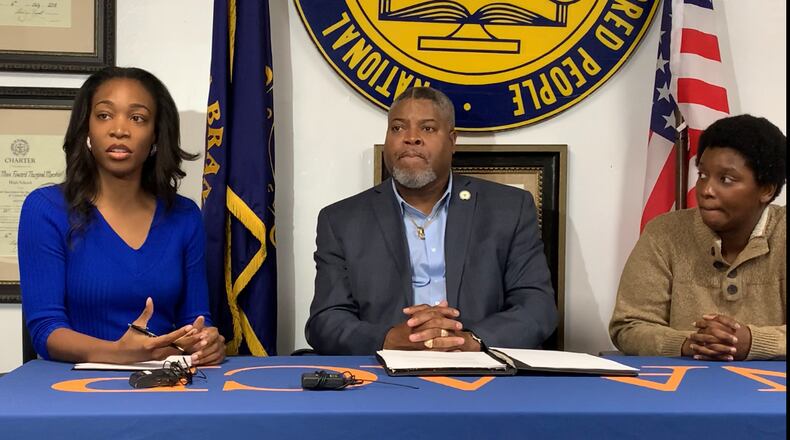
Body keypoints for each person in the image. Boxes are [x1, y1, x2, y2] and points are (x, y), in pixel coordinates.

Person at [305, 86, 557, 355]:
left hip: (481, 371)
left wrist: (472, 340)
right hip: (383, 379)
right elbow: (325, 321)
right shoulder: (342, 221)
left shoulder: (509, 209)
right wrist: (388, 338)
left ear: (452, 141)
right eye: (398, 128)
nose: (411, 138)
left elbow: (537, 308)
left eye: (427, 129)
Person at [18, 67, 225, 365]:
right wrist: (119, 353)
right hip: (72, 388)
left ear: (156, 134)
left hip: (165, 384)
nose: (119, 129)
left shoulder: (184, 216)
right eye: (104, 115)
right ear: (86, 128)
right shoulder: (45, 209)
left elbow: (195, 320)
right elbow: (46, 329)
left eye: (137, 118)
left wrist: (206, 343)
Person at [609, 114, 786, 361]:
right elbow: (629, 326)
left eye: (726, 179)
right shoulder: (664, 233)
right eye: (703, 175)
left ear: (766, 189)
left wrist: (750, 341)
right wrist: (690, 343)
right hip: (683, 389)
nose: (706, 190)